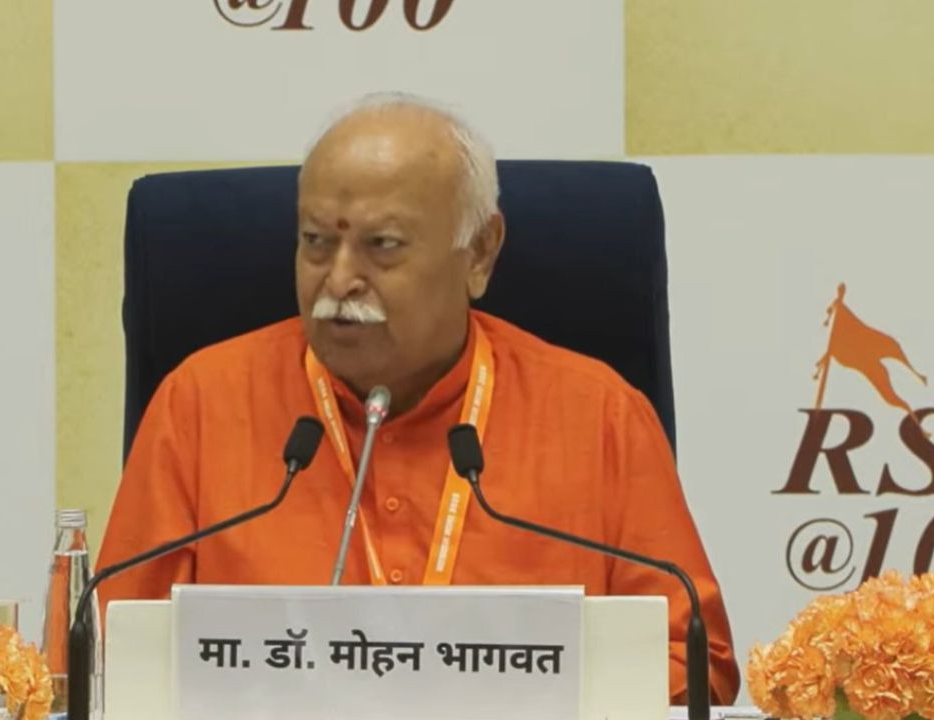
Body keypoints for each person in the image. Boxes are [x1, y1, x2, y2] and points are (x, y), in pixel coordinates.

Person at [95, 92, 740, 703]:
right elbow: (107, 659)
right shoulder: (200, 405)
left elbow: (692, 664)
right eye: (316, 242)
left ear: (480, 252)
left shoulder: (598, 415)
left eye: (382, 246)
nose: (339, 279)